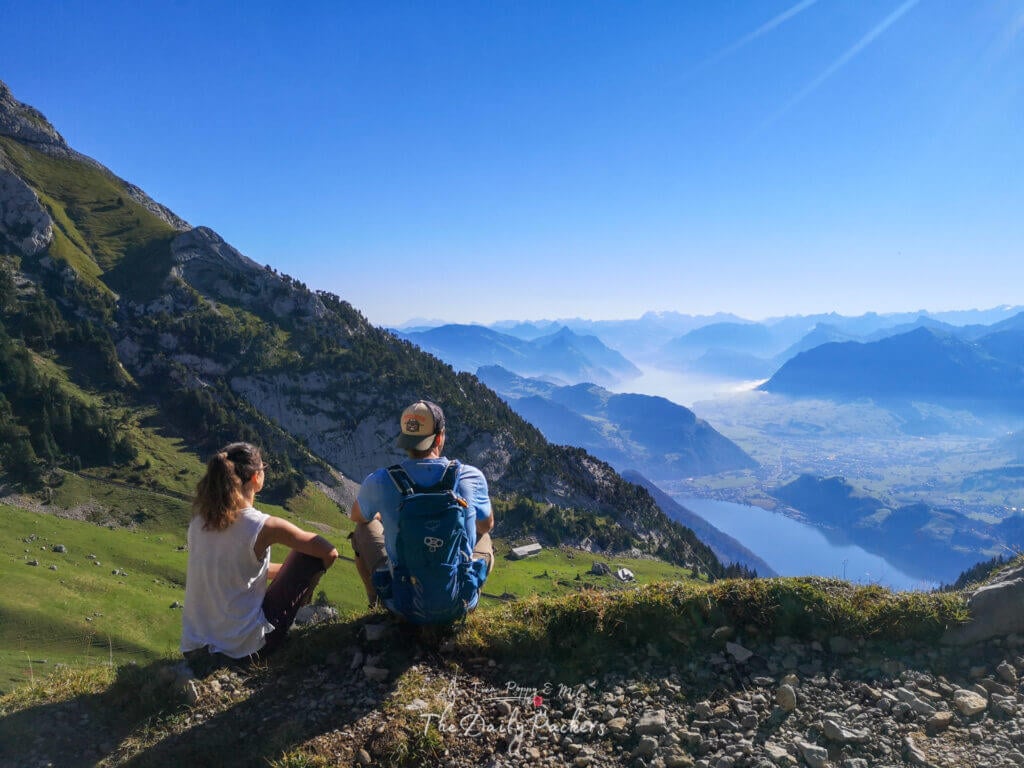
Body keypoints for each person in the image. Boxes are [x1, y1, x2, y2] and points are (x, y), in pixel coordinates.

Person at [181, 442, 339, 662]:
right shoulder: (262, 526)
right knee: (307, 555)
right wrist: (309, 584)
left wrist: (286, 573)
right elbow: (329, 552)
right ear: (256, 477)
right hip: (244, 649)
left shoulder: (199, 522)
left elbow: (241, 570)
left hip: (194, 648)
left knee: (301, 555)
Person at [350, 400, 494, 622]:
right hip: (457, 606)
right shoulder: (471, 476)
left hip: (402, 604)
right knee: (485, 536)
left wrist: (384, 515)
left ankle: (376, 604)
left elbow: (357, 516)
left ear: (406, 440)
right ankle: (466, 598)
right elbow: (485, 525)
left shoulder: (380, 480)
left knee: (362, 529)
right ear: (439, 437)